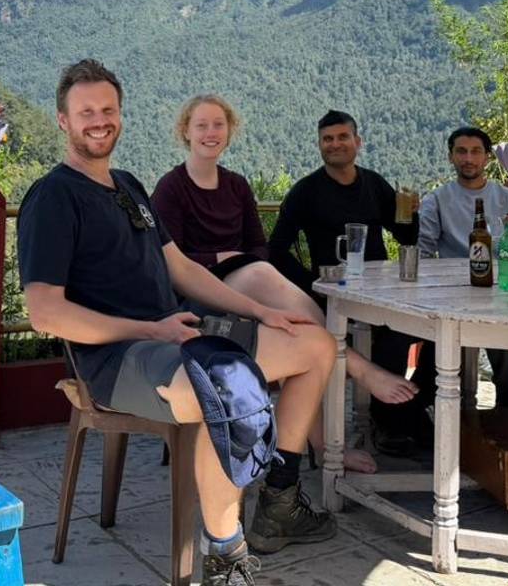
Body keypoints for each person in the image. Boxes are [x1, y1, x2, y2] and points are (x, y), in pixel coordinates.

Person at [19, 60, 338, 585]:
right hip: (118, 358)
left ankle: (280, 498)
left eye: (107, 110)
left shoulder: (127, 186)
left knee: (315, 345)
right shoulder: (53, 196)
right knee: (227, 388)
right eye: (85, 112)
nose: (99, 121)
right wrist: (151, 330)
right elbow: (46, 313)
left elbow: (182, 268)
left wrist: (260, 311)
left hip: (177, 337)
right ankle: (225, 557)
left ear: (120, 115)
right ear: (63, 120)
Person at [153, 95, 416, 473]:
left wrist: (240, 261)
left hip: (247, 286)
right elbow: (168, 260)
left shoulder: (236, 186)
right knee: (263, 276)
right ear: (186, 132)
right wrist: (220, 258)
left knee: (298, 331)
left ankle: (324, 445)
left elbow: (259, 246)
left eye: (218, 124)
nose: (211, 132)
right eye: (202, 125)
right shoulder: (172, 188)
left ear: (229, 131)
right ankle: (357, 368)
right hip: (197, 295)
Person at [268, 110, 429, 454]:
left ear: (358, 142)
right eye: (328, 139)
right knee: (393, 334)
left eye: (343, 137)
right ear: (319, 145)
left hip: (379, 291)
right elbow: (276, 250)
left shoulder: (373, 184)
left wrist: (410, 214)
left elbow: (405, 237)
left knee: (427, 329)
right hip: (333, 296)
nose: (335, 144)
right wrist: (313, 284)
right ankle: (394, 419)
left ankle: (407, 410)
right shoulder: (305, 192)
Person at [418, 126, 508, 407]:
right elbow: (424, 251)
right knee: (446, 331)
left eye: (476, 151)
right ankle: (429, 404)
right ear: (451, 157)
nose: (468, 158)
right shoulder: (436, 199)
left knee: (498, 322)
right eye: (461, 152)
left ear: (487, 157)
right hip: (452, 292)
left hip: (500, 288)